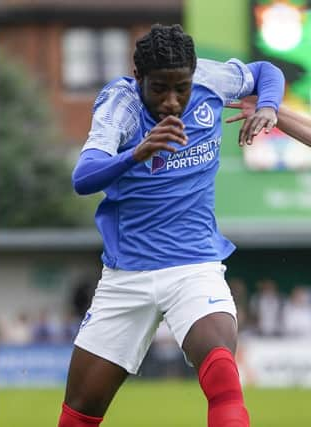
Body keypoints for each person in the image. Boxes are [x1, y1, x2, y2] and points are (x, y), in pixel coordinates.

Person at [58, 24, 284, 427]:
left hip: (194, 266)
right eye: (159, 88)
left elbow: (266, 70)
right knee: (78, 415)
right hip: (126, 276)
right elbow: (83, 176)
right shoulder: (120, 105)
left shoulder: (213, 79)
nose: (171, 101)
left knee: (224, 381)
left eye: (181, 87)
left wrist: (267, 105)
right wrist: (136, 153)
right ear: (139, 77)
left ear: (193, 75)